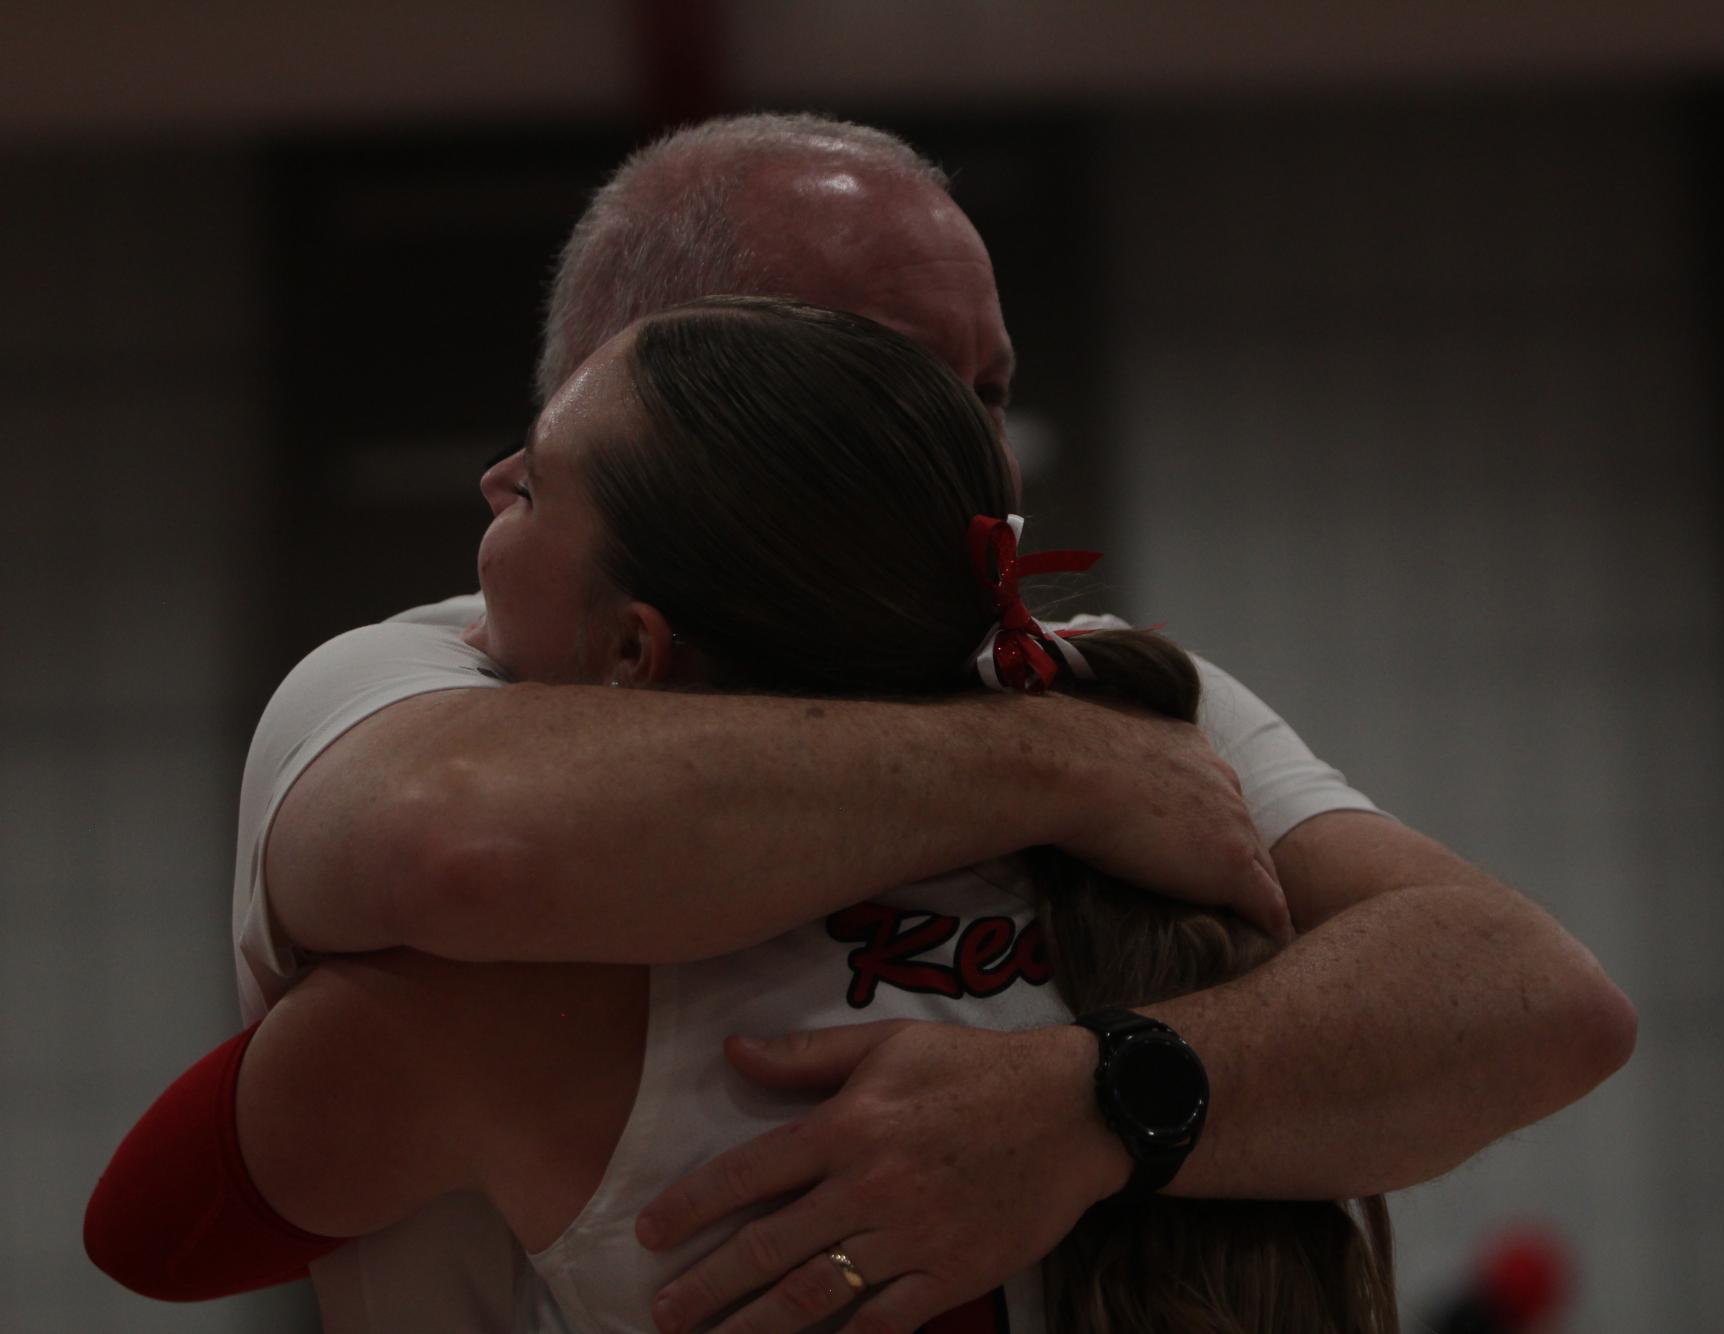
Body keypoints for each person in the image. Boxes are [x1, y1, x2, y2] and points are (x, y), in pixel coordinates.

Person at [212, 113, 1633, 1334]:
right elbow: (463, 843)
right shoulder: (422, 674)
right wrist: (1045, 766)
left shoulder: (1107, 684)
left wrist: (1095, 1104)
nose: (975, 456)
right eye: (894, 377)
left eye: (992, 391)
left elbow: (1532, 999)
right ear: (651, 375)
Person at [90, 296, 1400, 1334]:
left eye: (537, 485)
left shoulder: (491, 1011)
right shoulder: (1180, 905)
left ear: (632, 656)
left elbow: (151, 1229)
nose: (494, 482)